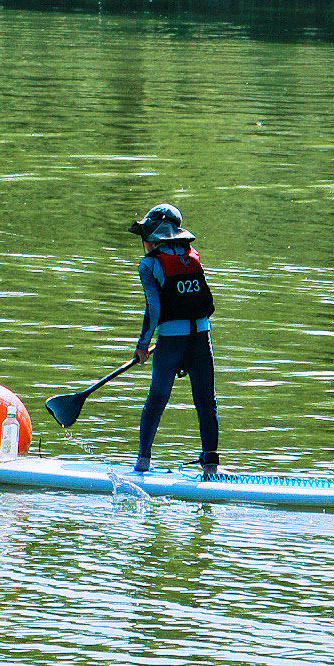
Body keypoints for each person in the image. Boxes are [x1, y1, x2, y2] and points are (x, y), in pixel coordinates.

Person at [128, 203, 219, 477]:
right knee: (206, 401)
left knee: (157, 398)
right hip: (201, 339)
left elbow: (154, 310)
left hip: (170, 344)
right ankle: (212, 465)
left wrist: (143, 346)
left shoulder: (149, 264)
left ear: (153, 237)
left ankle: (143, 461)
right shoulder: (193, 256)